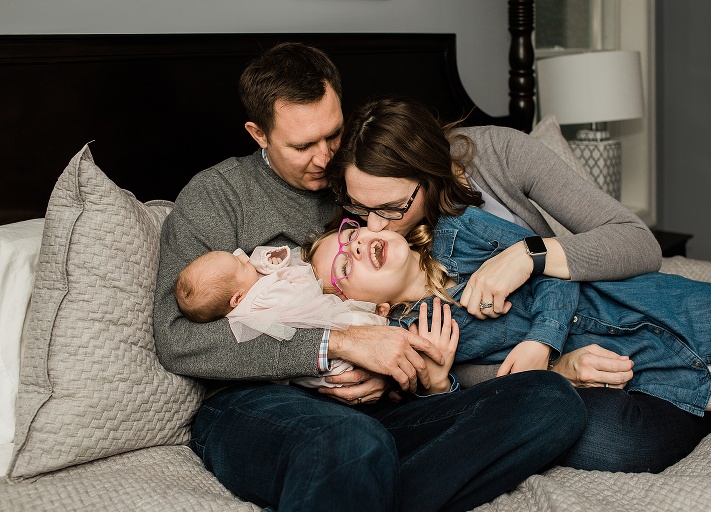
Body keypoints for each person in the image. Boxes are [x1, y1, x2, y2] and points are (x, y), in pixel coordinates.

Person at [153, 42, 587, 512]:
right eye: (302, 146)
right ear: (259, 134)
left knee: (549, 401)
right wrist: (335, 345)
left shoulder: (369, 178)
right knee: (350, 440)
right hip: (260, 405)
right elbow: (177, 340)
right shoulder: (217, 197)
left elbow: (428, 299)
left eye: (333, 134)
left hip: (389, 409)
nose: (324, 158)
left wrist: (409, 377)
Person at [323, 97, 711, 472]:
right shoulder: (380, 264)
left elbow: (637, 243)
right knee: (608, 438)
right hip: (545, 372)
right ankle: (691, 390)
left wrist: (528, 258)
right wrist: (557, 370)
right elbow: (463, 365)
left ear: (430, 173)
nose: (372, 225)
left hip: (592, 308)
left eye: (392, 208)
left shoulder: (496, 160)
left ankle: (696, 383)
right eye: (360, 210)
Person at [306, 214, 711, 414]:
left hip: (650, 300)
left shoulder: (461, 229)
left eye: (351, 234)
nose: (359, 245)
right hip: (640, 366)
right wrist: (439, 384)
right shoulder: (413, 339)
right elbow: (473, 414)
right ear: (369, 308)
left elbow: (550, 260)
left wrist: (541, 338)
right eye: (345, 265)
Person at [174, 245, 384, 388]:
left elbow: (257, 266)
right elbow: (304, 294)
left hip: (305, 364)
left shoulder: (243, 292)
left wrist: (269, 263)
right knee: (356, 325)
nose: (243, 257)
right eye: (240, 264)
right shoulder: (261, 300)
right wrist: (293, 274)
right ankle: (382, 324)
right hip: (325, 361)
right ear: (237, 298)